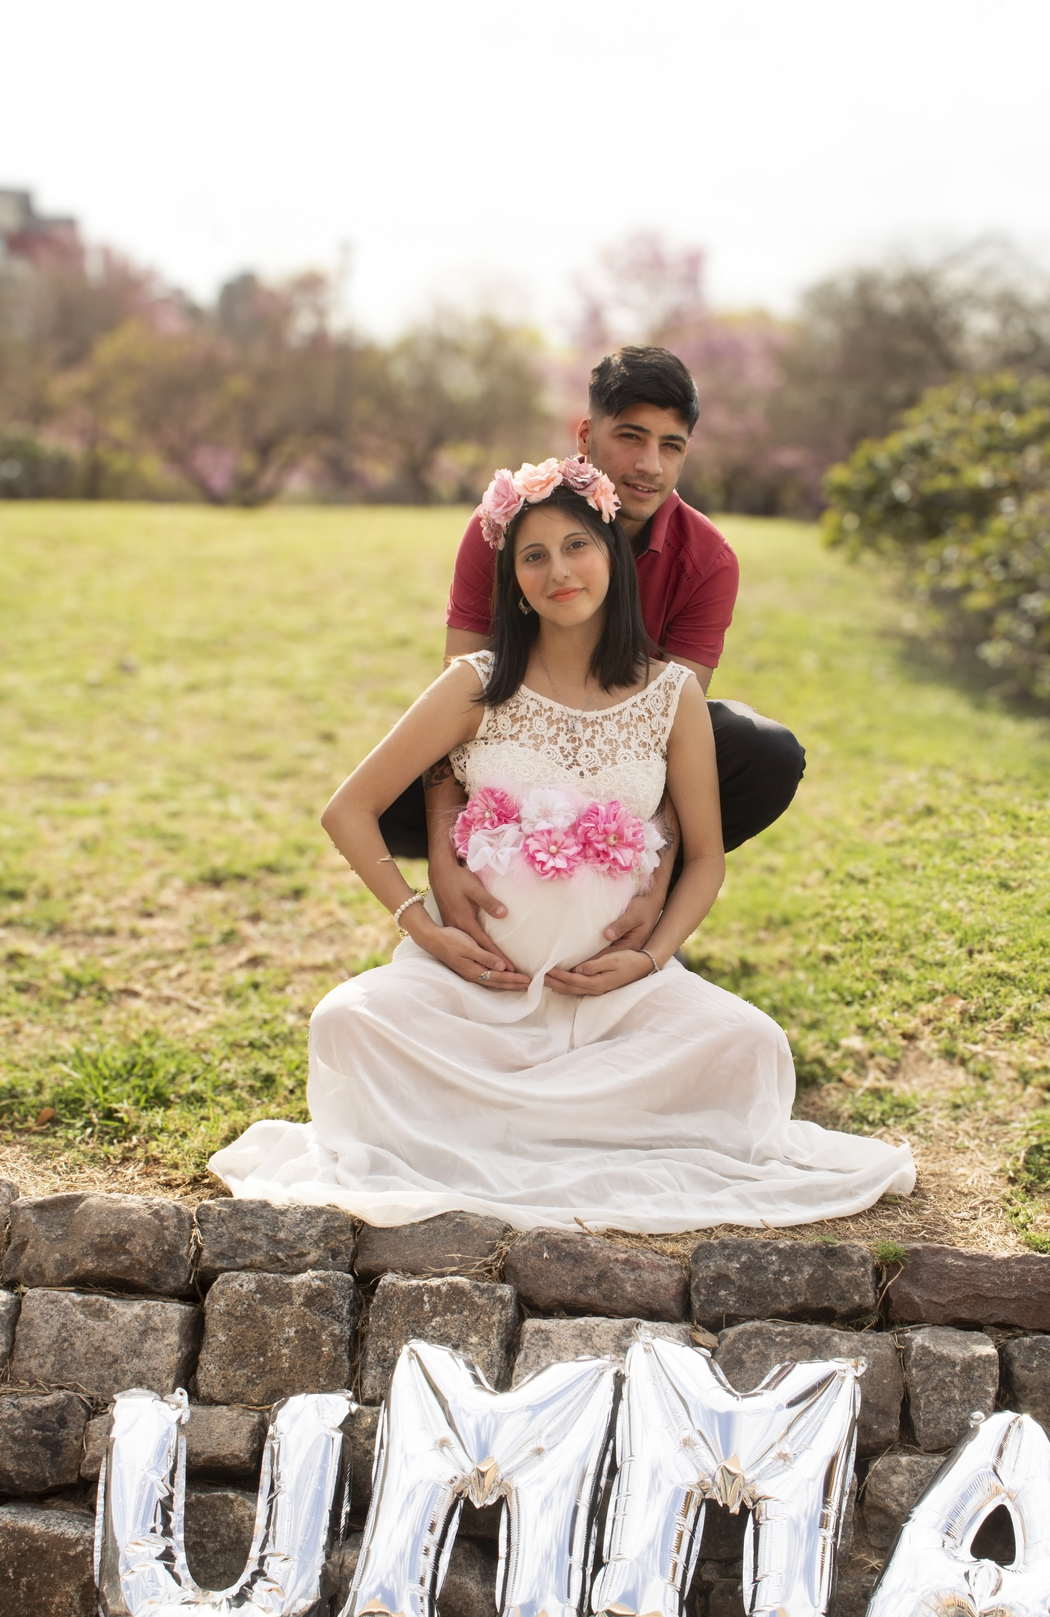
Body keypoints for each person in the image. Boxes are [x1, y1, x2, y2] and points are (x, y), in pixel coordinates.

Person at [208, 456, 914, 1232]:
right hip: (478, 995)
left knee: (752, 1045)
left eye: (577, 546)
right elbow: (348, 809)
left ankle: (532, 1120)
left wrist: (649, 959)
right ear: (512, 581)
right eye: (533, 556)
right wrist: (424, 930)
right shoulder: (476, 684)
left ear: (613, 557)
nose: (558, 571)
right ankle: (525, 1116)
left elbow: (705, 855)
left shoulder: (670, 697)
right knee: (344, 1021)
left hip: (616, 1001)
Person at [377, 344, 805, 977]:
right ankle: (495, 892)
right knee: (393, 774)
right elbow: (460, 687)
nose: (648, 465)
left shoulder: (707, 560)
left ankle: (619, 904)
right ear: (585, 433)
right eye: (630, 436)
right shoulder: (504, 525)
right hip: (507, 750)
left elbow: (667, 734)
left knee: (755, 747)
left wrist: (655, 890)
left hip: (621, 765)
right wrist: (444, 859)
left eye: (671, 446)